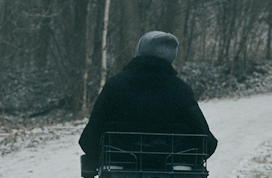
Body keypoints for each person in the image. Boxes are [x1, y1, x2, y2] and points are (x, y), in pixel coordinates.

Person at [78, 30, 217, 158]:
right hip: (171, 172)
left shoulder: (115, 85)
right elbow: (206, 142)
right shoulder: (181, 90)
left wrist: (100, 159)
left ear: (139, 51)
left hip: (120, 168)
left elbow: (88, 139)